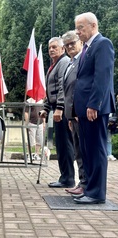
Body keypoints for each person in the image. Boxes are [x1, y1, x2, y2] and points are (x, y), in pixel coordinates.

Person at [73, 12, 115, 204]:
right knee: (87, 149)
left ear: (93, 25)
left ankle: (97, 193)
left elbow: (102, 77)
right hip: (84, 108)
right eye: (77, 27)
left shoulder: (102, 44)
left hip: (94, 107)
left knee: (96, 149)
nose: (78, 31)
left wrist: (93, 104)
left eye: (81, 27)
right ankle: (89, 188)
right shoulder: (87, 48)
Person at [39, 37, 75, 188]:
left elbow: (62, 87)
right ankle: (64, 176)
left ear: (62, 49)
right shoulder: (54, 65)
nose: (51, 50)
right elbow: (50, 91)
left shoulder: (64, 62)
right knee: (60, 144)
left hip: (63, 110)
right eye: (49, 48)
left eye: (54, 47)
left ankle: (68, 178)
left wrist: (59, 108)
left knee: (65, 144)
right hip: (56, 108)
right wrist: (46, 108)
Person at [61, 30, 87, 196]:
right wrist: (69, 115)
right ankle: (82, 182)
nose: (70, 46)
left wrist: (78, 110)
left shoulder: (82, 61)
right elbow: (68, 91)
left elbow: (81, 88)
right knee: (78, 151)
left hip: (81, 113)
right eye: (67, 44)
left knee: (83, 151)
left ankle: (85, 184)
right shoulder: (70, 63)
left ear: (81, 42)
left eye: (73, 43)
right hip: (73, 116)